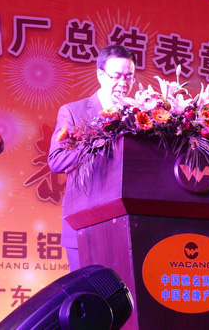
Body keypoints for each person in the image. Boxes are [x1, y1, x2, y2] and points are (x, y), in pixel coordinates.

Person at [48, 45, 137, 271]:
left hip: (128, 224)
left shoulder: (139, 115)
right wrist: (99, 144)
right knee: (87, 290)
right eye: (116, 76)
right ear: (100, 75)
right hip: (84, 223)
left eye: (129, 77)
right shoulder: (74, 112)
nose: (123, 83)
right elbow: (57, 160)